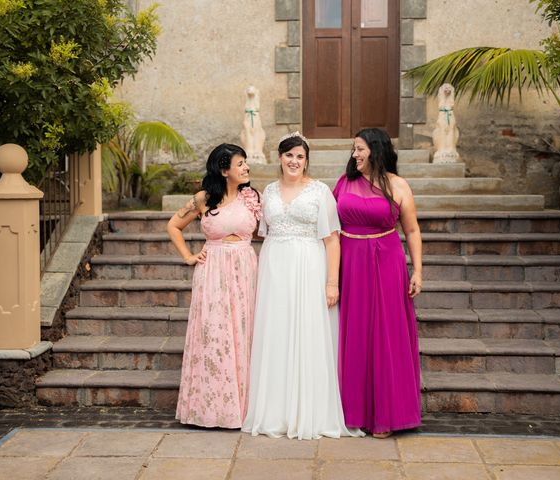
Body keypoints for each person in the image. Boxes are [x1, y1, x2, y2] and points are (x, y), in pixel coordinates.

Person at [242, 132, 362, 440]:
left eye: (300, 156)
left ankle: (309, 412)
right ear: (279, 158)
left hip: (310, 266)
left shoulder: (320, 192)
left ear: (306, 160)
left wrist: (331, 283)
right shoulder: (267, 191)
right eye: (289, 155)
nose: (294, 161)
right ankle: (275, 411)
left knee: (307, 332)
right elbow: (261, 233)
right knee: (276, 333)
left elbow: (332, 239)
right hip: (274, 268)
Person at [333, 127, 422, 437]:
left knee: (386, 333)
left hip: (386, 262)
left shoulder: (398, 185)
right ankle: (353, 411)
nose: (355, 154)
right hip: (350, 262)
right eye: (353, 149)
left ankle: (387, 414)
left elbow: (411, 231)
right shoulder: (344, 183)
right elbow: (329, 228)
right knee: (355, 332)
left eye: (360, 149)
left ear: (376, 149)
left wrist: (418, 270)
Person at [167, 143, 261, 428]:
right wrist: (188, 256)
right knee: (215, 336)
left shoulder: (252, 198)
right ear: (224, 170)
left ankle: (244, 408)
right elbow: (173, 225)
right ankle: (212, 409)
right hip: (213, 272)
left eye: (246, 163)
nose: (246, 168)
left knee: (244, 335)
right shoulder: (203, 199)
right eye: (240, 163)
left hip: (245, 269)